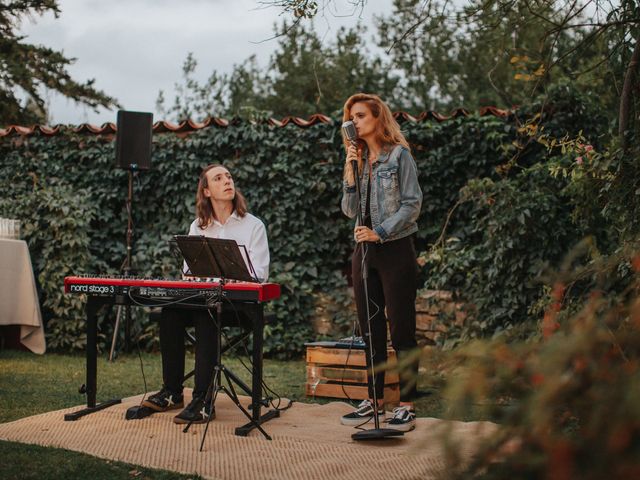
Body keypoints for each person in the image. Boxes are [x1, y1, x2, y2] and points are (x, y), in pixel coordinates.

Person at [142, 163, 270, 424]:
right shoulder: (198, 226)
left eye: (229, 176)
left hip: (241, 307)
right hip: (207, 301)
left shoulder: (253, 225)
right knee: (171, 313)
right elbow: (188, 272)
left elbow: (260, 274)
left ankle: (203, 399)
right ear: (207, 191)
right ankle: (172, 392)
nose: (227, 181)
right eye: (218, 178)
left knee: (206, 313)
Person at [340, 93, 423, 432]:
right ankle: (373, 400)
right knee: (371, 331)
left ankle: (406, 404)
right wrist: (349, 169)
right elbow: (348, 210)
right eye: (350, 118)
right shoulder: (357, 159)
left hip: (395, 249)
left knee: (401, 329)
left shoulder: (399, 156)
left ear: (377, 117)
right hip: (364, 253)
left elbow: (412, 204)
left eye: (360, 116)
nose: (354, 122)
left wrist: (382, 231)